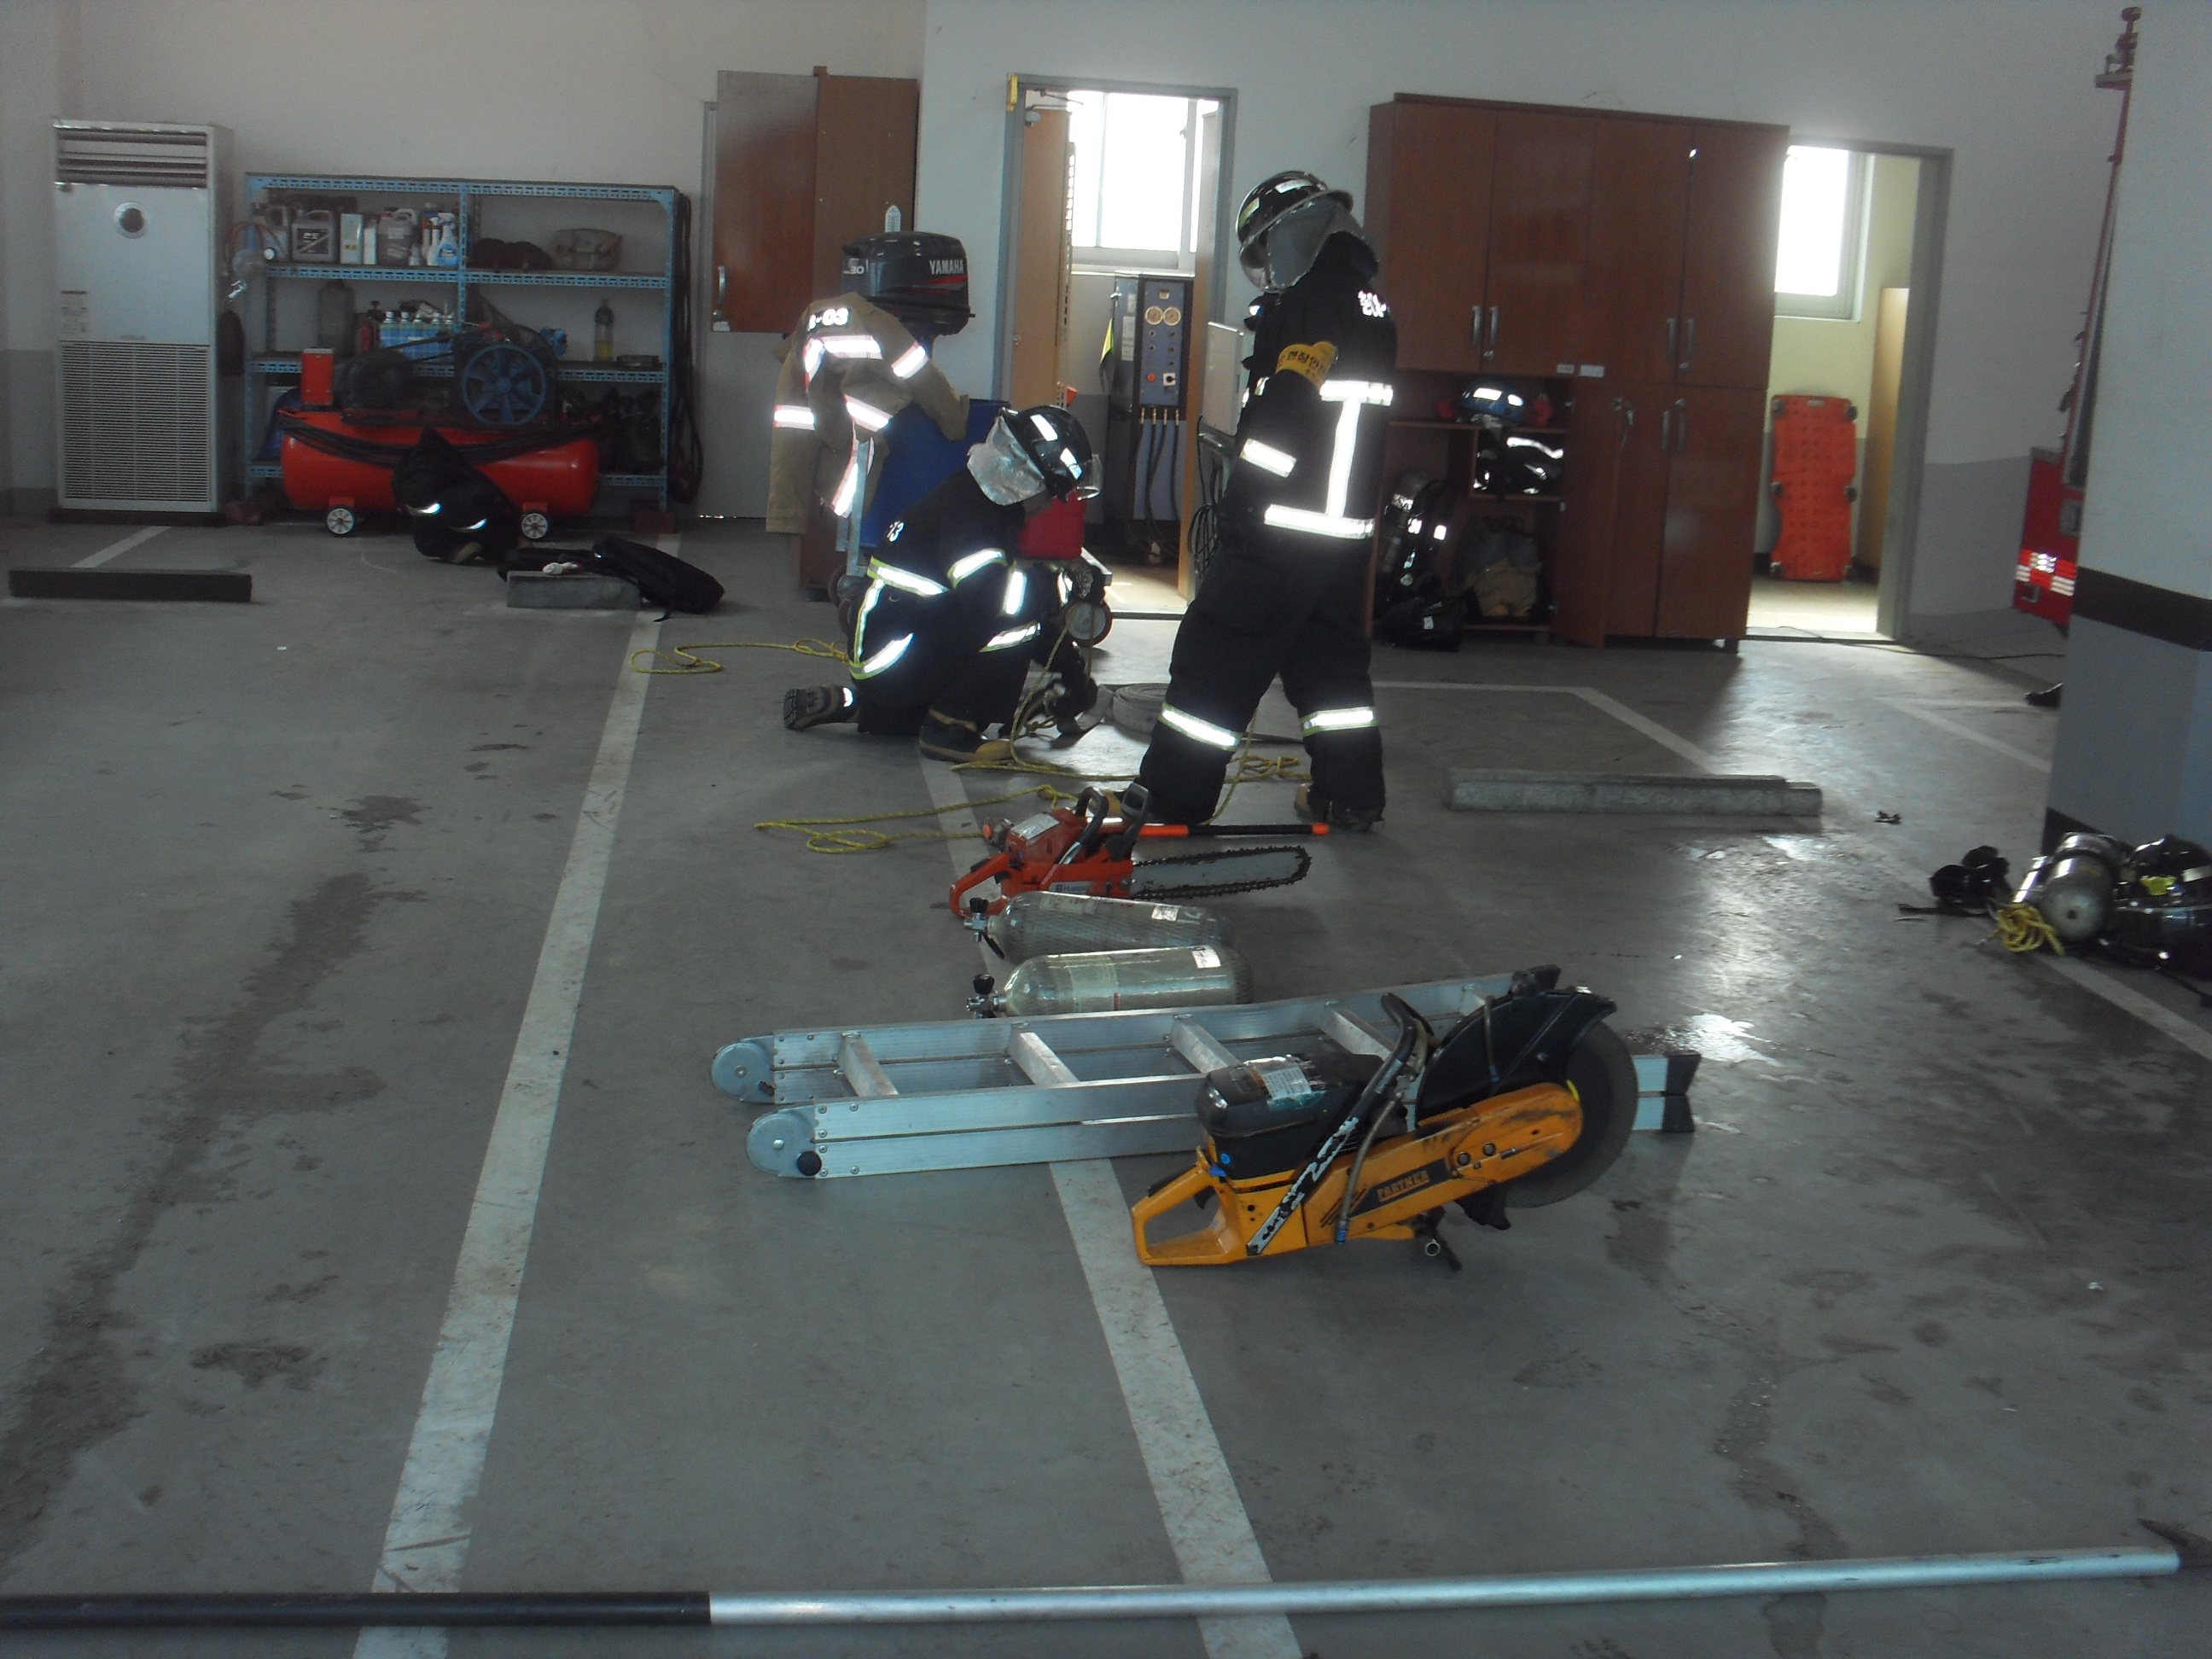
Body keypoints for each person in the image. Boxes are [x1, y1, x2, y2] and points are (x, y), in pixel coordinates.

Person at [1132, 171, 1399, 829]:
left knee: (1216, 654)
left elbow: (1287, 409)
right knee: (1330, 668)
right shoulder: (1372, 306)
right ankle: (1351, 796)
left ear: (1291, 232)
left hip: (1284, 523)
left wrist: (1244, 503)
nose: (1267, 265)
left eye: (1265, 248)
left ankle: (1173, 799)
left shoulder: (1311, 302)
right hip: (1343, 530)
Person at [782, 405, 1099, 761]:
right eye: (1052, 493)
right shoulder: (972, 519)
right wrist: (1066, 586)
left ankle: (866, 707)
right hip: (894, 659)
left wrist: (1073, 673)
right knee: (1013, 621)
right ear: (1026, 480)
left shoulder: (973, 498)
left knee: (1016, 606)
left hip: (886, 654)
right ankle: (950, 728)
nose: (1051, 505)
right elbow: (999, 605)